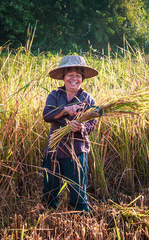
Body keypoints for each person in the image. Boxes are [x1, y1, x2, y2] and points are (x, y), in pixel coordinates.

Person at [42, 55, 99, 213]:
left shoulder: (87, 99)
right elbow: (47, 115)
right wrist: (65, 110)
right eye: (70, 75)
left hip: (76, 151)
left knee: (78, 193)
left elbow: (92, 124)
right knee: (50, 191)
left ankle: (81, 219)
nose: (74, 78)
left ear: (82, 79)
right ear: (63, 77)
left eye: (78, 75)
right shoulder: (54, 95)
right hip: (54, 150)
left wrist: (80, 127)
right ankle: (49, 217)